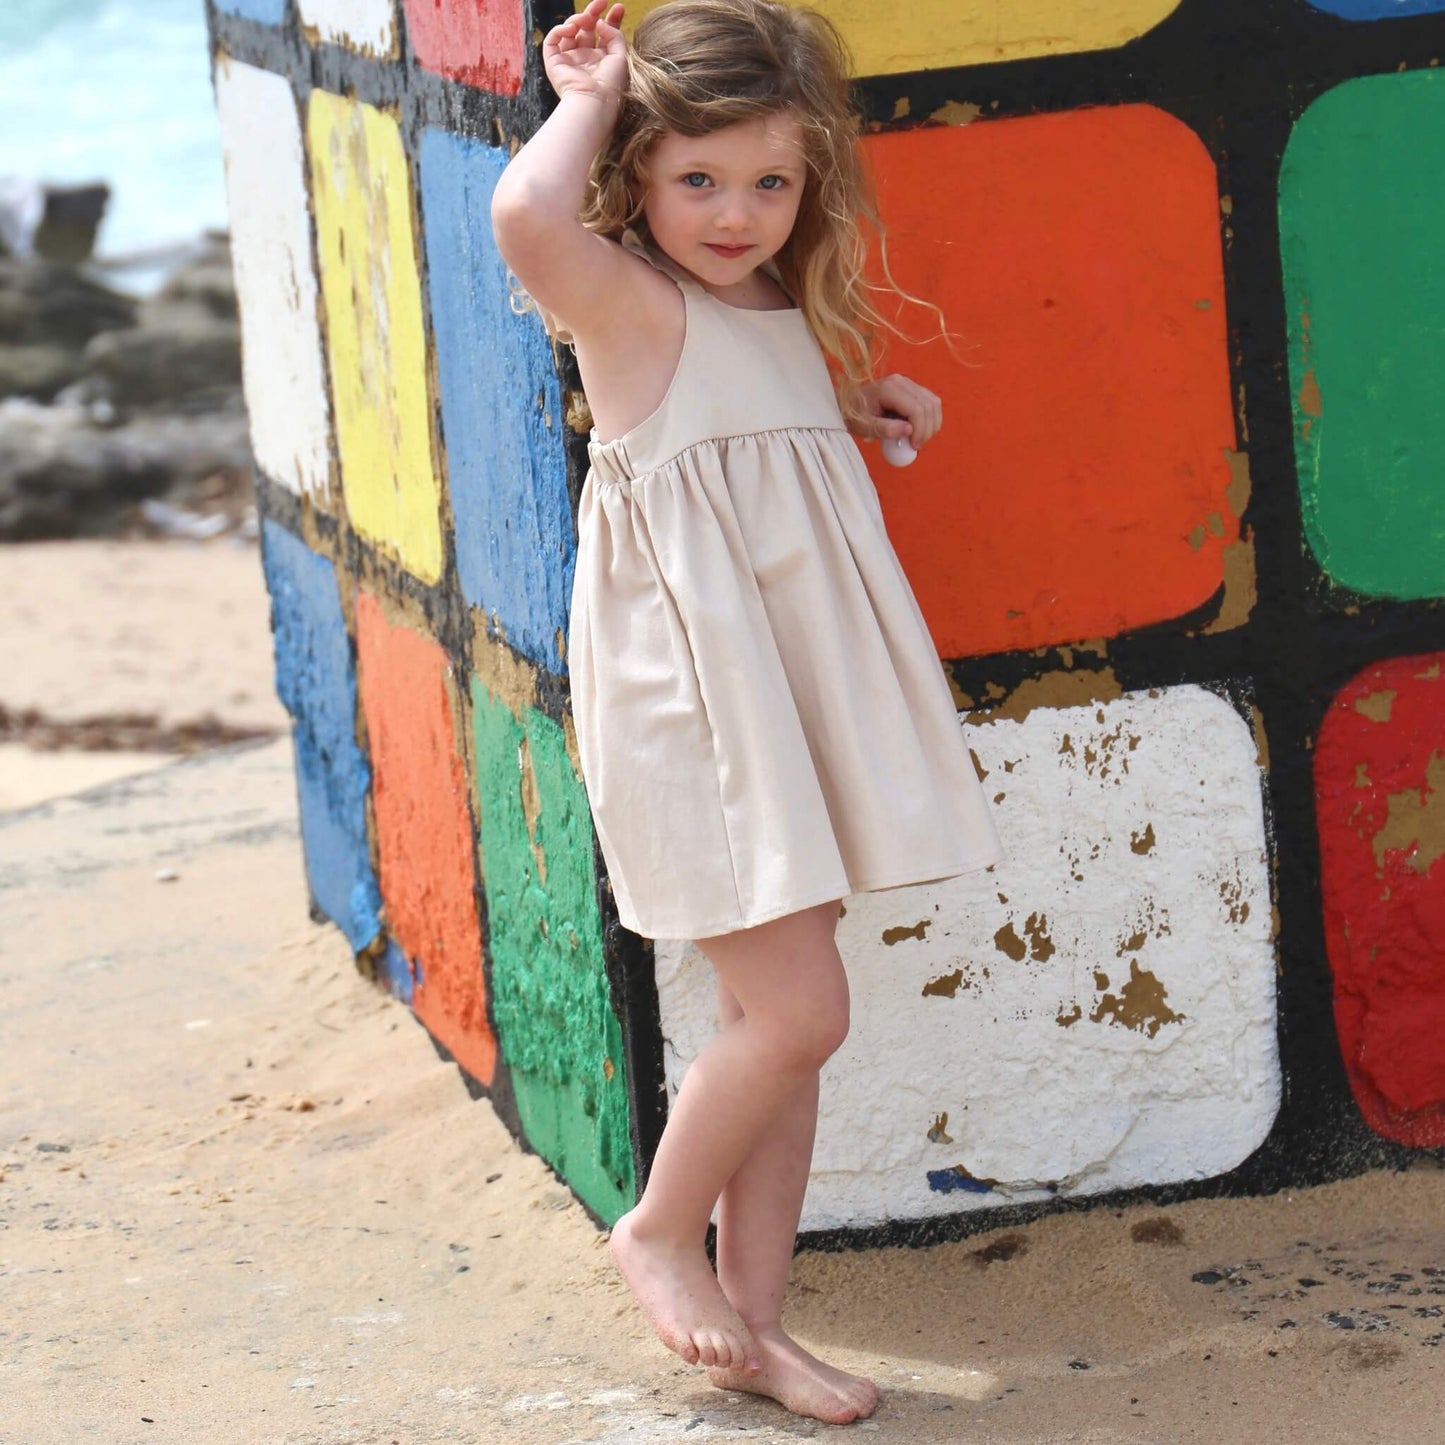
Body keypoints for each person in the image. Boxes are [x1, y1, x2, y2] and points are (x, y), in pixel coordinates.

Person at [490, 0, 1003, 1425]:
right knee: (798, 1007)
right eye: (696, 178)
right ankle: (657, 1231)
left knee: (771, 1014)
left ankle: (759, 1320)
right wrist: (585, 96)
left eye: (769, 181)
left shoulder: (768, 308)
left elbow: (741, 434)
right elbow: (525, 214)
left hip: (779, 705)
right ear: (637, 176)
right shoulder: (626, 301)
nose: (735, 213)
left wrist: (853, 404)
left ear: (809, 180)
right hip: (701, 713)